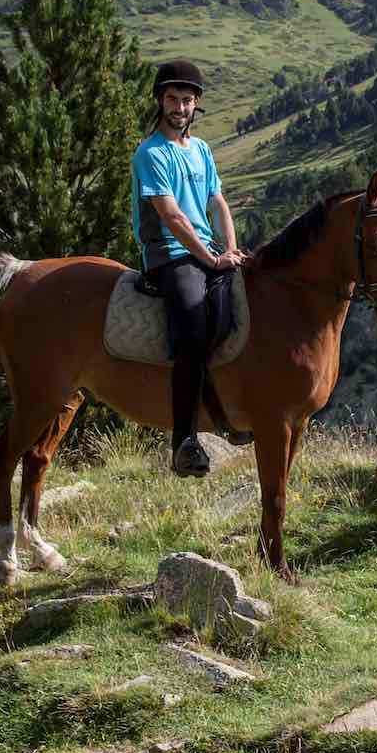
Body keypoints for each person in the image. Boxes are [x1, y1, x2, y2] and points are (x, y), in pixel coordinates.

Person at [134, 60, 249, 478]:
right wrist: (212, 259)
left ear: (196, 104)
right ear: (160, 103)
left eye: (186, 100)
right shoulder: (151, 153)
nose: (179, 107)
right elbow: (172, 217)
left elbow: (217, 202)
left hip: (208, 248)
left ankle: (229, 411)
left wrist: (231, 250)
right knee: (193, 330)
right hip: (170, 254)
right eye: (172, 99)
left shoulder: (201, 149)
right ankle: (184, 440)